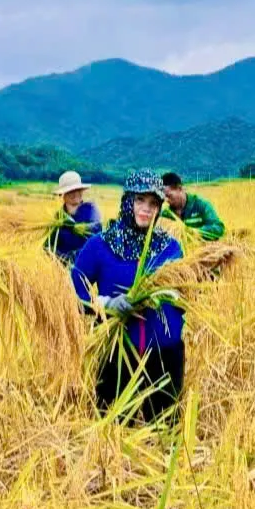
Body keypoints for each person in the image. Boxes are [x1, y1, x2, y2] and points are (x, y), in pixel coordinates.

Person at [71, 169, 186, 425]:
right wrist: (107, 304)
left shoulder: (170, 247)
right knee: (116, 426)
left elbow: (185, 292)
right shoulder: (100, 245)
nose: (146, 209)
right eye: (140, 201)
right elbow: (74, 292)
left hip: (164, 351)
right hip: (118, 350)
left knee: (165, 426)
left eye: (153, 203)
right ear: (127, 201)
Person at [48, 170, 102, 265]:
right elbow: (49, 246)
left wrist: (73, 257)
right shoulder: (58, 218)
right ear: (63, 195)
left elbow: (95, 241)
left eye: (78, 190)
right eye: (70, 191)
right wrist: (62, 258)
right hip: (61, 268)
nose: (75, 193)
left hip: (86, 268)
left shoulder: (91, 211)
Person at [161, 172, 225, 241]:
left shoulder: (201, 205)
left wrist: (193, 232)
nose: (166, 200)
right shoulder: (166, 214)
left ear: (179, 189)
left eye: (169, 196)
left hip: (202, 249)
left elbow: (219, 228)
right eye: (163, 196)